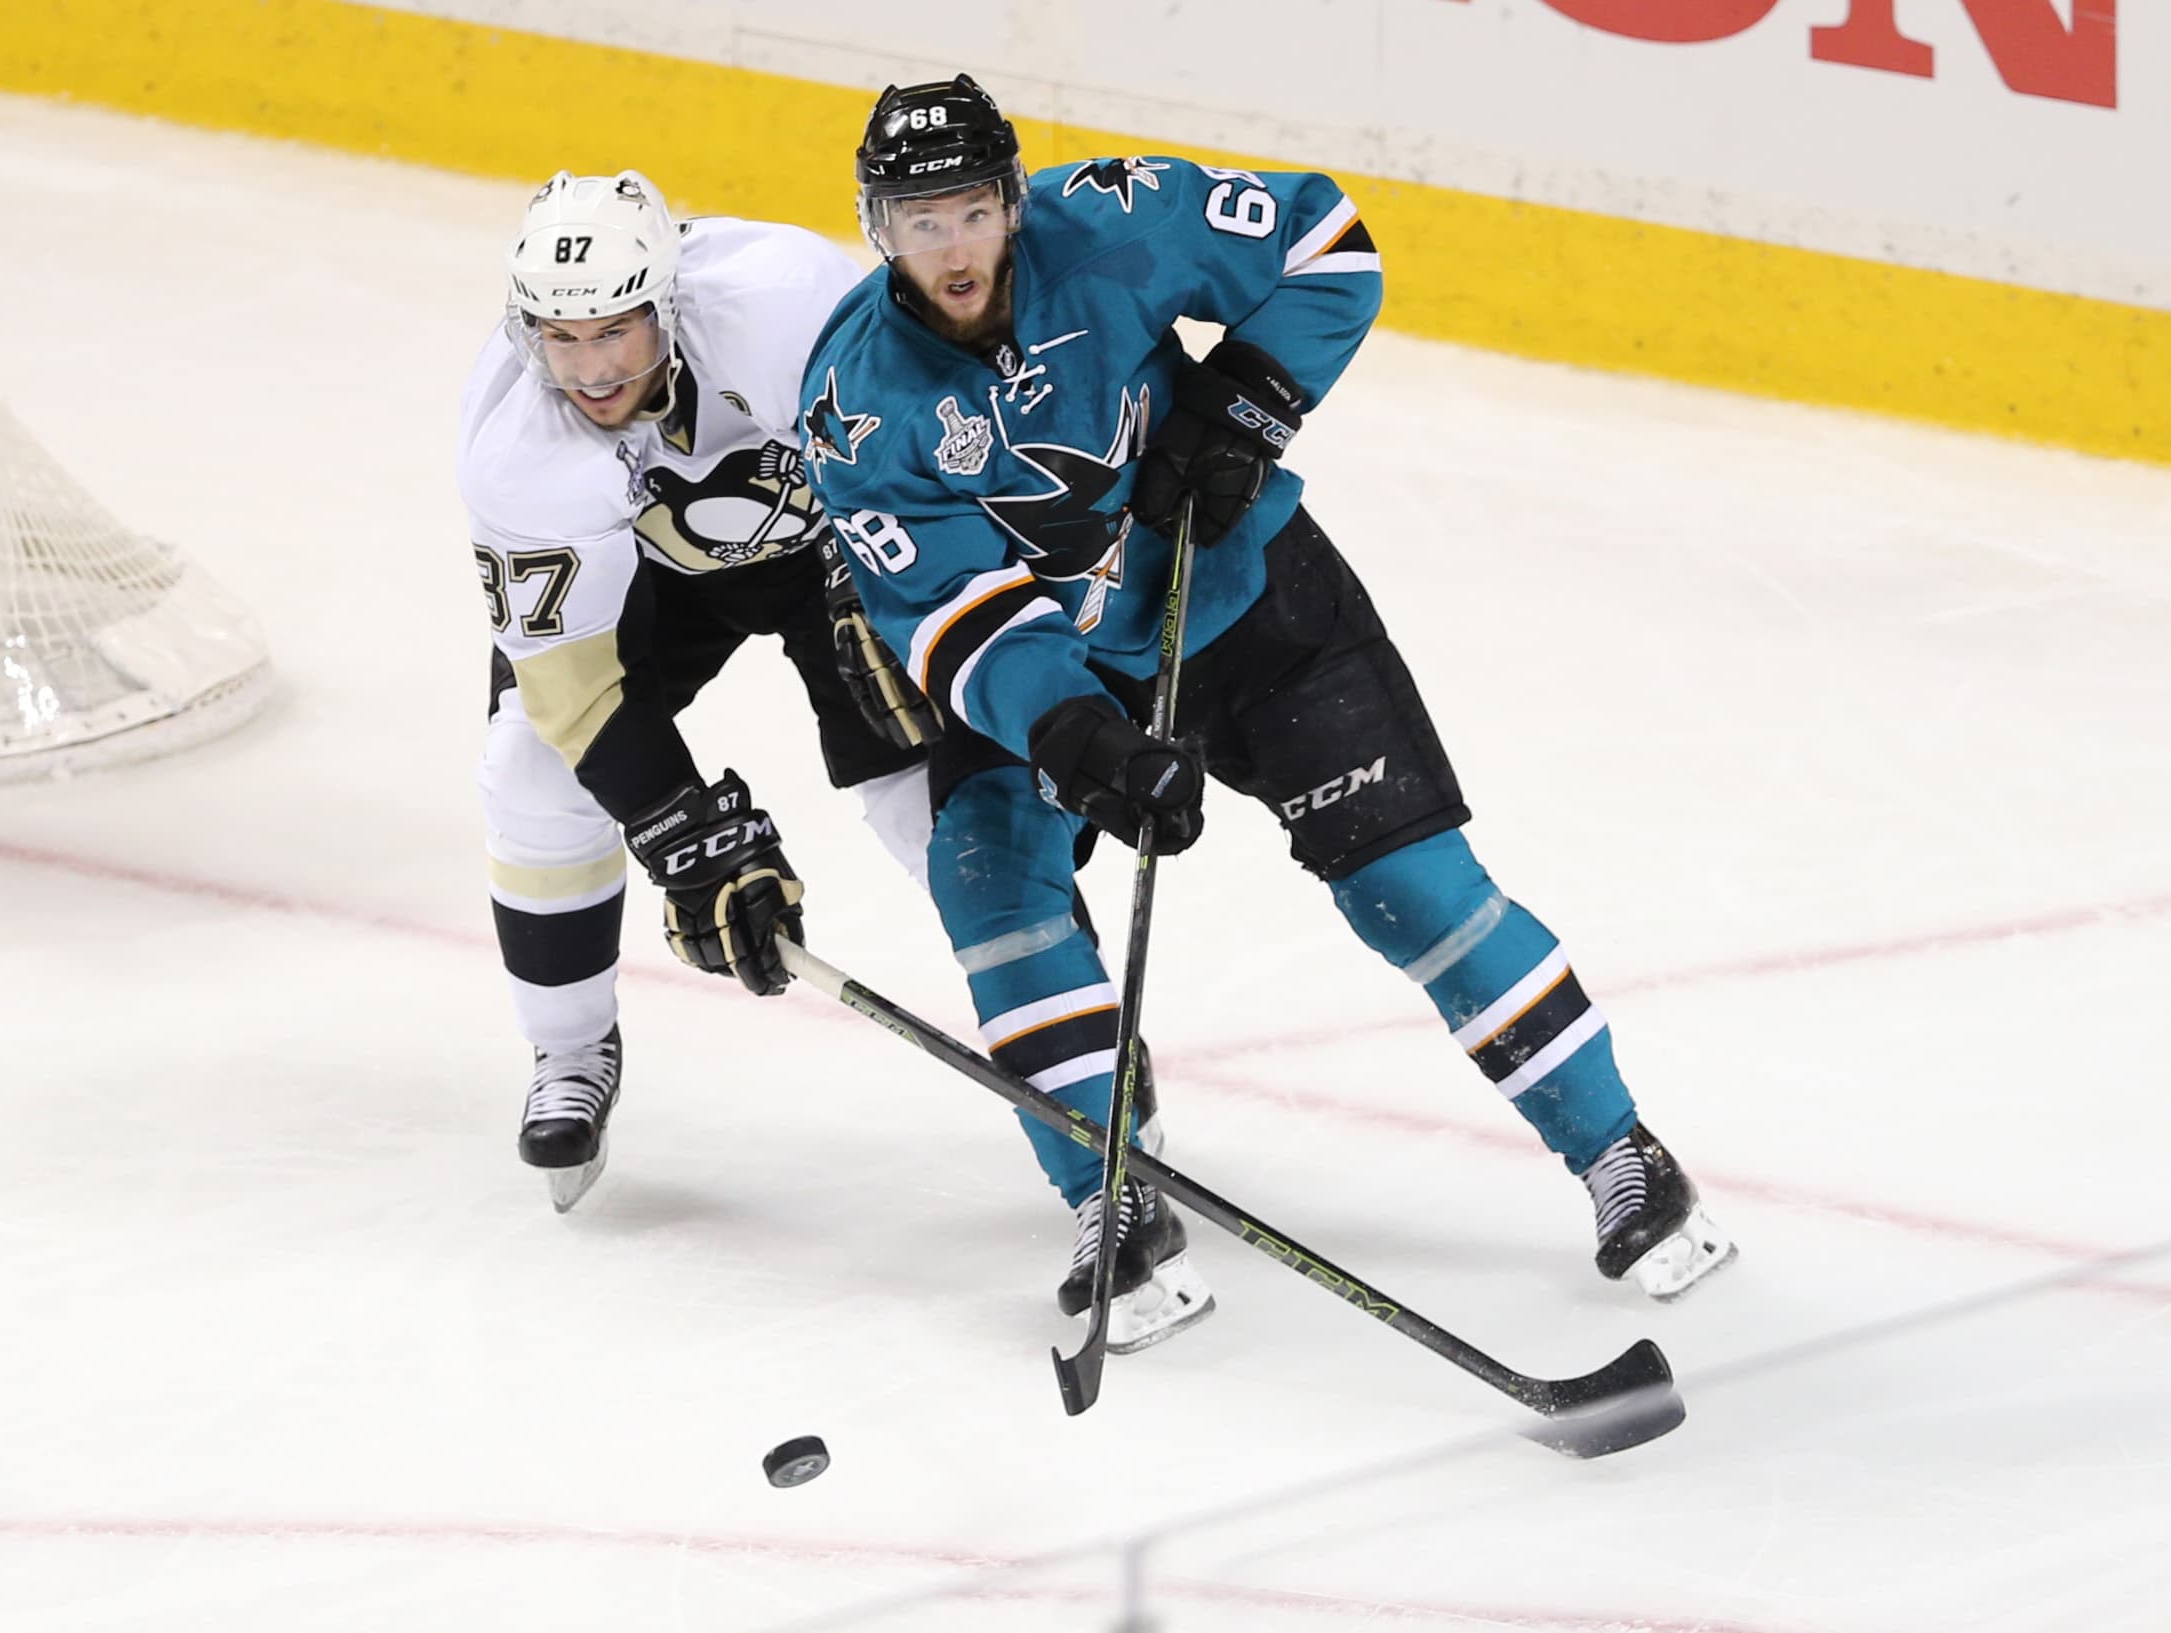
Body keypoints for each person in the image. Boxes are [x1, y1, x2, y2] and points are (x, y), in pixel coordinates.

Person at [801, 77, 1736, 1349]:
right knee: (994, 892)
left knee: (1409, 884)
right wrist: (1079, 737)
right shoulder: (857, 402)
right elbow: (952, 616)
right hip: (1062, 667)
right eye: (918, 223)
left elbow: (1324, 242)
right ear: (875, 229)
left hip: (1248, 600)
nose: (950, 249)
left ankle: (1616, 1151)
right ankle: (1106, 1196)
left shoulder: (1113, 219)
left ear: (1011, 201)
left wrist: (1242, 403)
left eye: (968, 212)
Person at [458, 169, 940, 1211]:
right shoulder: (515, 447)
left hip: (835, 549)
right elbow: (573, 687)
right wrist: (679, 831)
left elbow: (916, 460)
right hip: (653, 581)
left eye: (616, 332)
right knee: (531, 767)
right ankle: (570, 1052)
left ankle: (1072, 1049)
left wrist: (915, 603)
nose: (589, 368)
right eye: (561, 336)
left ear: (666, 305)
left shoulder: (786, 305)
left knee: (931, 788)